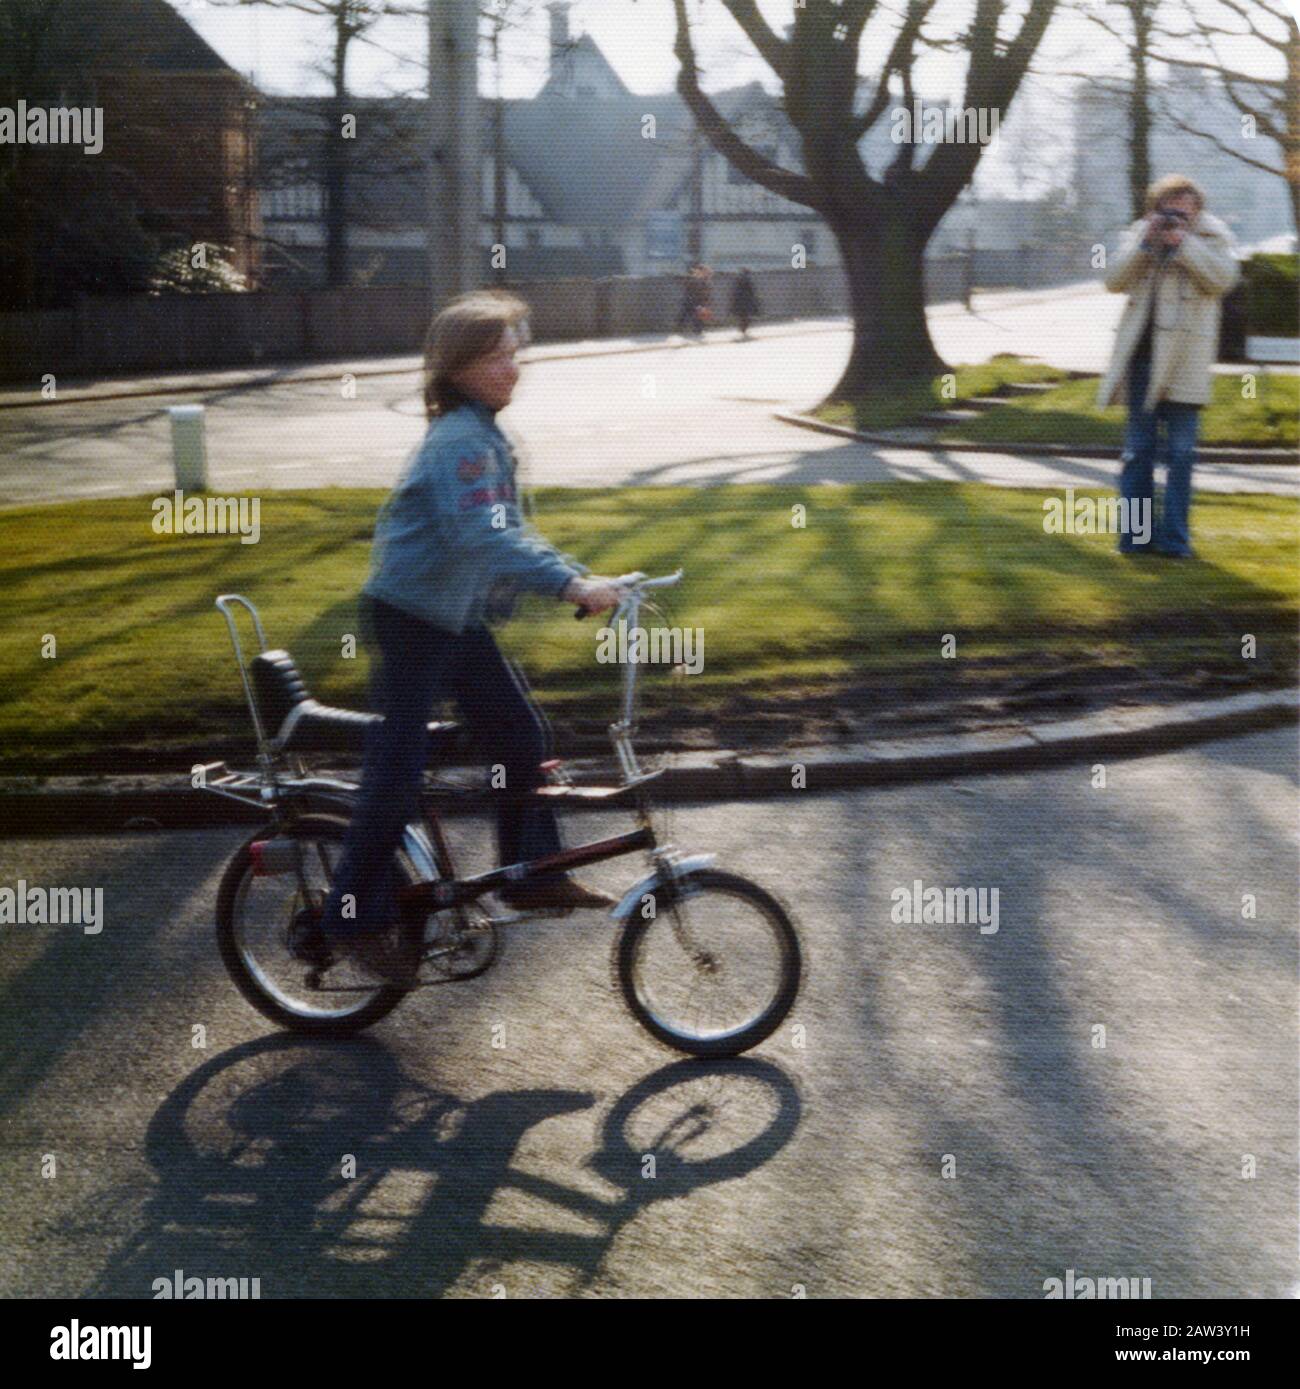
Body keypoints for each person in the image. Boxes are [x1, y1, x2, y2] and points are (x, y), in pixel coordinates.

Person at [315, 290, 623, 986]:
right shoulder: (460, 439)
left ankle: (529, 873)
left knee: (519, 733)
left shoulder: (481, 433)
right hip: (412, 618)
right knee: (395, 773)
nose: (514, 367)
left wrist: (579, 576)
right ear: (457, 367)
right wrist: (571, 586)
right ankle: (350, 915)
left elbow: (509, 532)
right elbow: (482, 534)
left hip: (453, 616)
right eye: (498, 355)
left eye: (516, 353)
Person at [1098, 174, 1238, 558]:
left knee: (1180, 454)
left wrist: (1184, 244)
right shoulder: (1140, 236)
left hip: (1185, 365)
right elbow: (1112, 280)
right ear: (1155, 208)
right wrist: (1146, 244)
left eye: (1185, 208)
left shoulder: (1212, 238)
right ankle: (1136, 539)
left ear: (1197, 210)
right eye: (1169, 208)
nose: (1177, 215)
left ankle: (1176, 541)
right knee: (1138, 452)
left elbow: (1223, 280)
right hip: (1141, 363)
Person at [730, 267, 760, 340]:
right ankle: (744, 331)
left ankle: (743, 331)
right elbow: (751, 292)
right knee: (746, 318)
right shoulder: (748, 280)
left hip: (739, 303)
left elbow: (734, 292)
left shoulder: (737, 280)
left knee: (741, 318)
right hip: (746, 303)